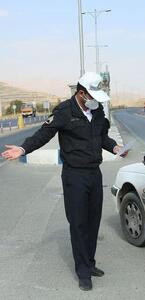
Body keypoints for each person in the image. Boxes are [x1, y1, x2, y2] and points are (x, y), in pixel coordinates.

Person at [1, 72, 124, 291]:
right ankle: (83, 272)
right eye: (91, 95)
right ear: (81, 93)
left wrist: (114, 147)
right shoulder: (64, 112)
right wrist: (22, 148)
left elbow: (102, 137)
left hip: (95, 174)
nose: (94, 100)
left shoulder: (97, 113)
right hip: (74, 175)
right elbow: (43, 134)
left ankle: (90, 262)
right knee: (78, 224)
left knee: (93, 221)